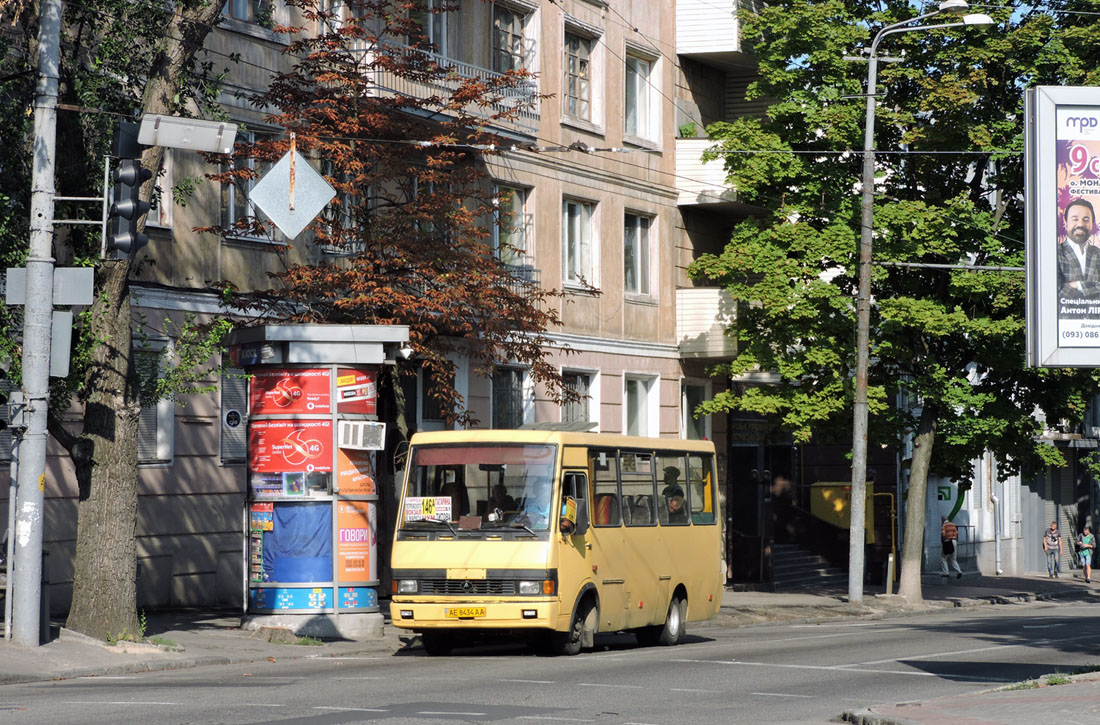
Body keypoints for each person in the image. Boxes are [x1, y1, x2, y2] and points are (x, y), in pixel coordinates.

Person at [1057, 198, 1100, 299]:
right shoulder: (1056, 253)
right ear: (1066, 222)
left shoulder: (1097, 254)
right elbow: (1054, 290)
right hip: (1064, 314)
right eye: (1075, 219)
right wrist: (1092, 290)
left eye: (1086, 219)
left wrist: (1077, 285)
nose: (1080, 224)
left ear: (1092, 223)